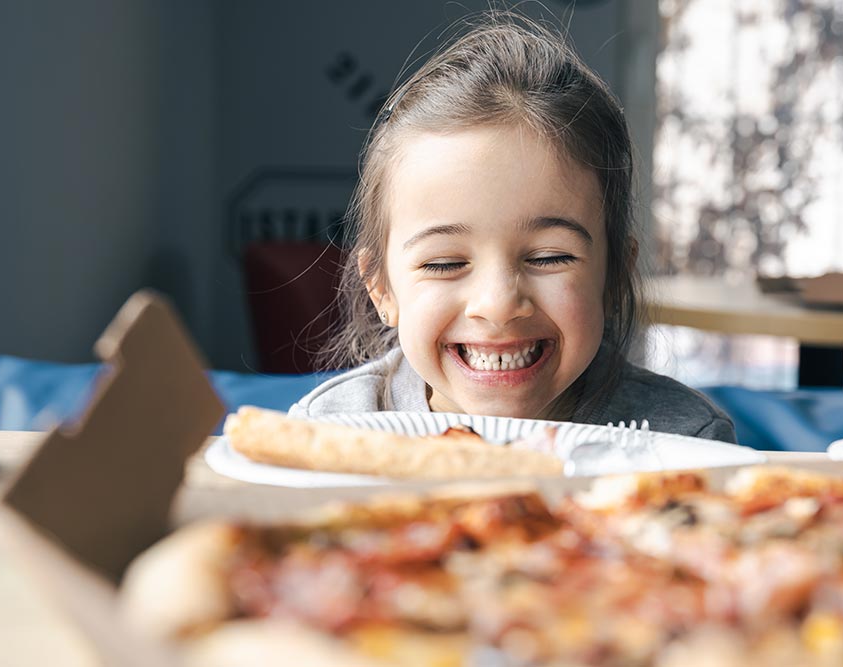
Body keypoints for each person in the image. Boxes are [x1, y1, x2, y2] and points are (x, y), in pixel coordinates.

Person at [290, 11, 735, 443]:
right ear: (382, 290)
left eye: (549, 257)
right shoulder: (326, 433)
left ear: (614, 275)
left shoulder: (685, 443)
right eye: (445, 263)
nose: (499, 305)